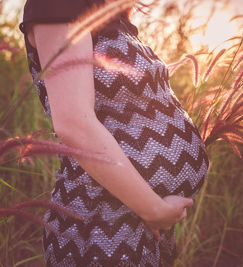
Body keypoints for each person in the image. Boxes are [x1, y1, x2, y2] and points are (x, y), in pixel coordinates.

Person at [19, 0, 209, 266]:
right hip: (100, 224)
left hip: (137, 218)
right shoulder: (59, 4)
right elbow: (73, 122)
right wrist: (152, 208)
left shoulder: (110, 12)